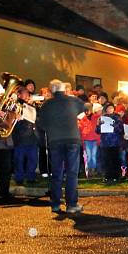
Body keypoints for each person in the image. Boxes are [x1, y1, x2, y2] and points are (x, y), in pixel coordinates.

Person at [37, 79, 86, 213]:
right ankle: (71, 204)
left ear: (51, 90)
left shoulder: (46, 105)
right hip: (72, 140)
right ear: (64, 89)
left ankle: (55, 204)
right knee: (72, 173)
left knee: (57, 173)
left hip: (55, 141)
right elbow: (85, 108)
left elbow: (40, 124)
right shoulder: (73, 100)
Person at [11, 86, 39, 185]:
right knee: (19, 159)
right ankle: (19, 178)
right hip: (20, 137)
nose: (27, 96)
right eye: (25, 94)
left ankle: (30, 177)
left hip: (32, 136)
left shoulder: (32, 106)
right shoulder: (14, 105)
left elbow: (36, 119)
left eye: (28, 94)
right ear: (19, 95)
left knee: (33, 159)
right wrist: (16, 118)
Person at [99, 102, 123, 183]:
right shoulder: (103, 117)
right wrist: (99, 125)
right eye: (108, 108)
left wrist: (114, 125)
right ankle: (107, 176)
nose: (110, 110)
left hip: (115, 142)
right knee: (106, 160)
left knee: (115, 160)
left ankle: (116, 176)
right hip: (105, 143)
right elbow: (97, 131)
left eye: (111, 108)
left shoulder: (117, 117)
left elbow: (120, 129)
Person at [78, 103, 101, 177]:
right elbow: (81, 131)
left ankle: (93, 169)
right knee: (89, 156)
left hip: (94, 139)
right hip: (87, 140)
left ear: (91, 110)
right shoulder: (83, 119)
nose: (87, 112)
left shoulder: (96, 117)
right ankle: (90, 170)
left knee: (93, 156)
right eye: (85, 111)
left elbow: (99, 127)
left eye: (88, 110)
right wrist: (82, 140)